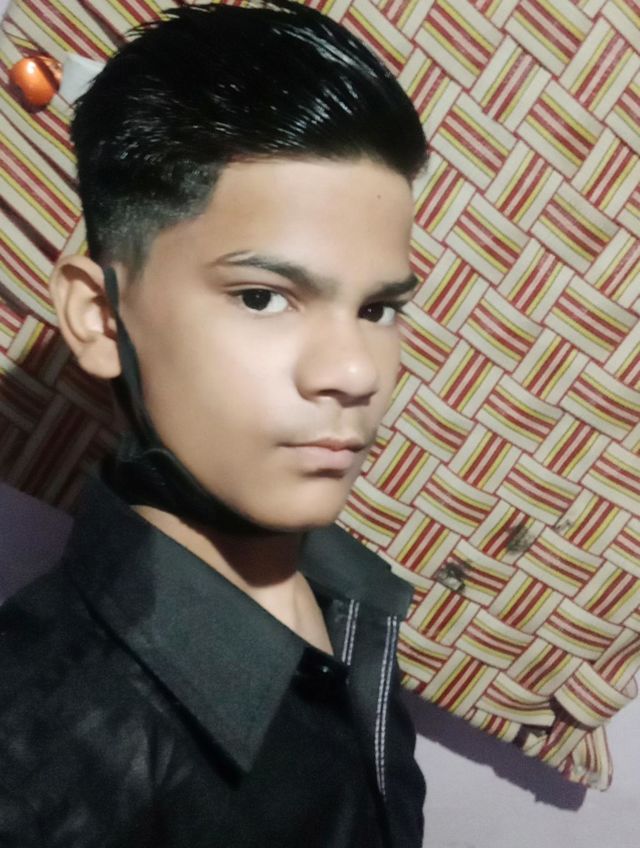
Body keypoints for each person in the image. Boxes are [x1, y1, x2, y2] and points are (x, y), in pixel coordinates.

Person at [0, 2, 428, 845]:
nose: (354, 373)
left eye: (378, 309)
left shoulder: (347, 596)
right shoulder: (40, 758)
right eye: (262, 297)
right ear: (98, 317)